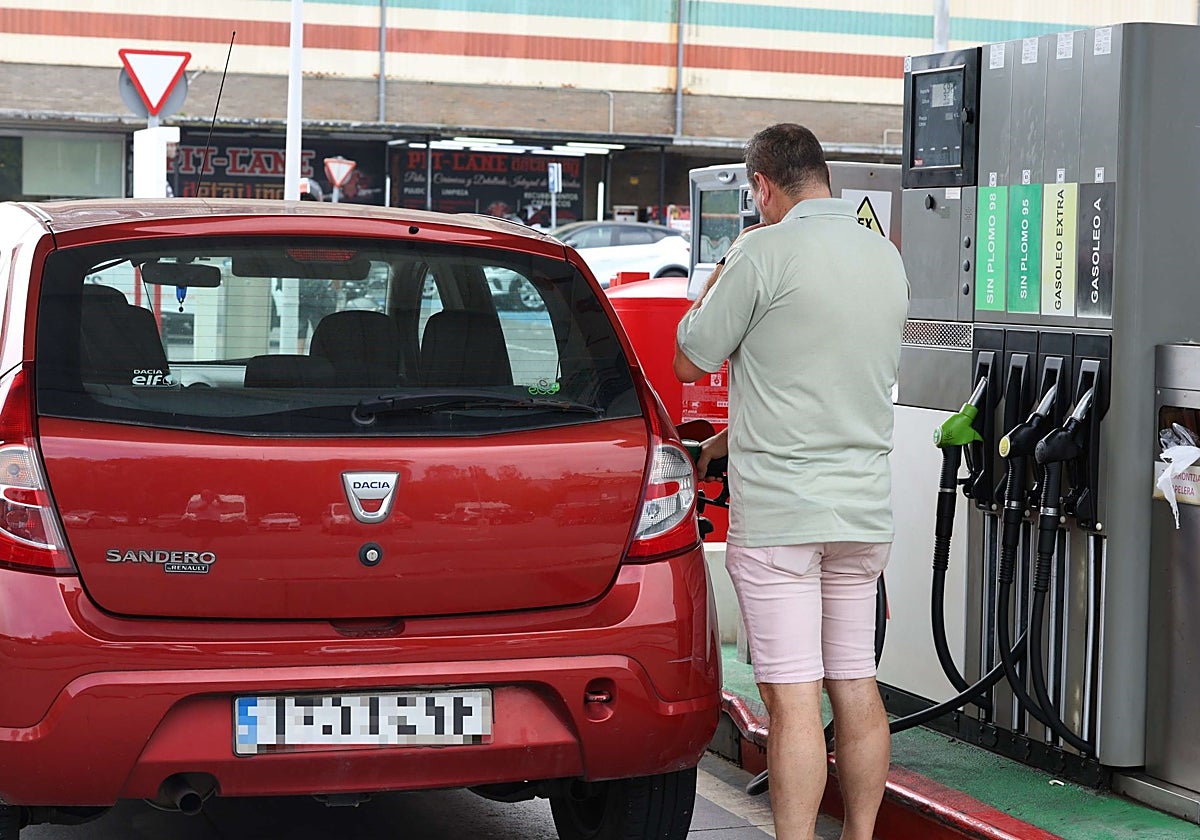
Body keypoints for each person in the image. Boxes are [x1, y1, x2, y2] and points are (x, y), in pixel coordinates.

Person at [673, 123, 909, 840]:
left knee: (795, 700)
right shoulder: (884, 256)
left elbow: (689, 357)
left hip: (783, 520)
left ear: (762, 185)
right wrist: (726, 442)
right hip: (862, 514)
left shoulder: (761, 251)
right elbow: (823, 383)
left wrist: (721, 272)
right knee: (855, 684)